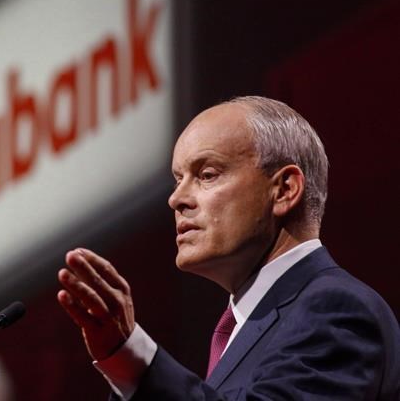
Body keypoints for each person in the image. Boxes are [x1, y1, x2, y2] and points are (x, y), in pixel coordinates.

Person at [57, 96, 400, 400]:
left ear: (284, 190)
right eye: (178, 179)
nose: (176, 199)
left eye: (207, 174)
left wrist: (131, 356)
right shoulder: (242, 328)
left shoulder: (335, 309)